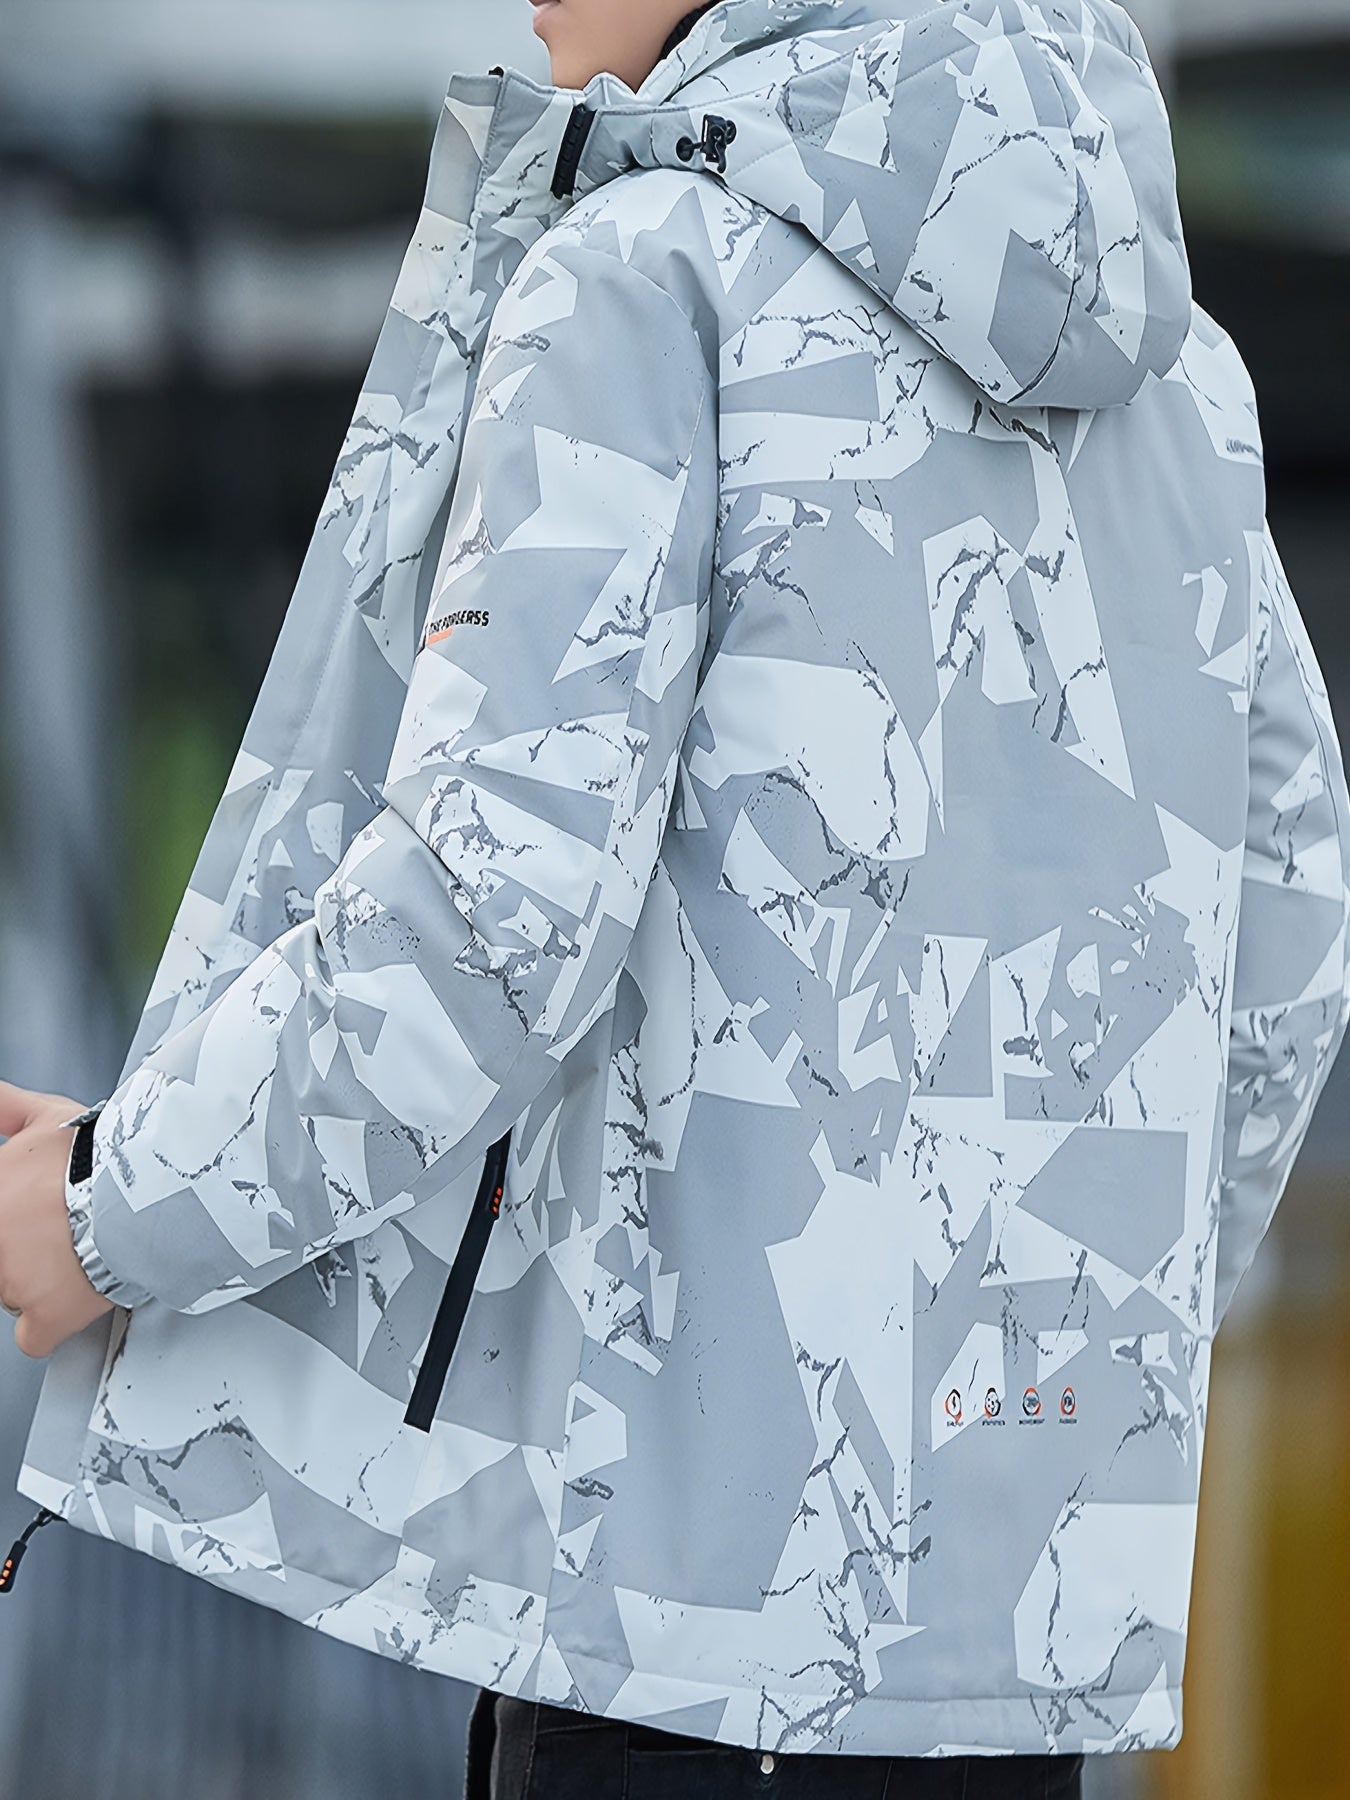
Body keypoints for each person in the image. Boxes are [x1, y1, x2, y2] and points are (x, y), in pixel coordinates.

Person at [2, 0, 1348, 1795]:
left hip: (680, 1646)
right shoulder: (1184, 391)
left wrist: (106, 1206)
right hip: (1012, 1651)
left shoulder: (643, 274)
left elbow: (482, 924)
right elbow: (1278, 959)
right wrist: (1052, 1398)